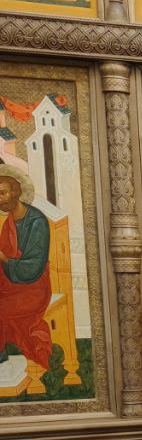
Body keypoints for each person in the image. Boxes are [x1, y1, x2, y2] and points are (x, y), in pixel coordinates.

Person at [0, 165, 52, 393]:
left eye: (2, 193)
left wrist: (4, 259)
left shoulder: (37, 221)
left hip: (33, 286)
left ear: (16, 192)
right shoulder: (9, 221)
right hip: (11, 283)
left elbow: (33, 267)